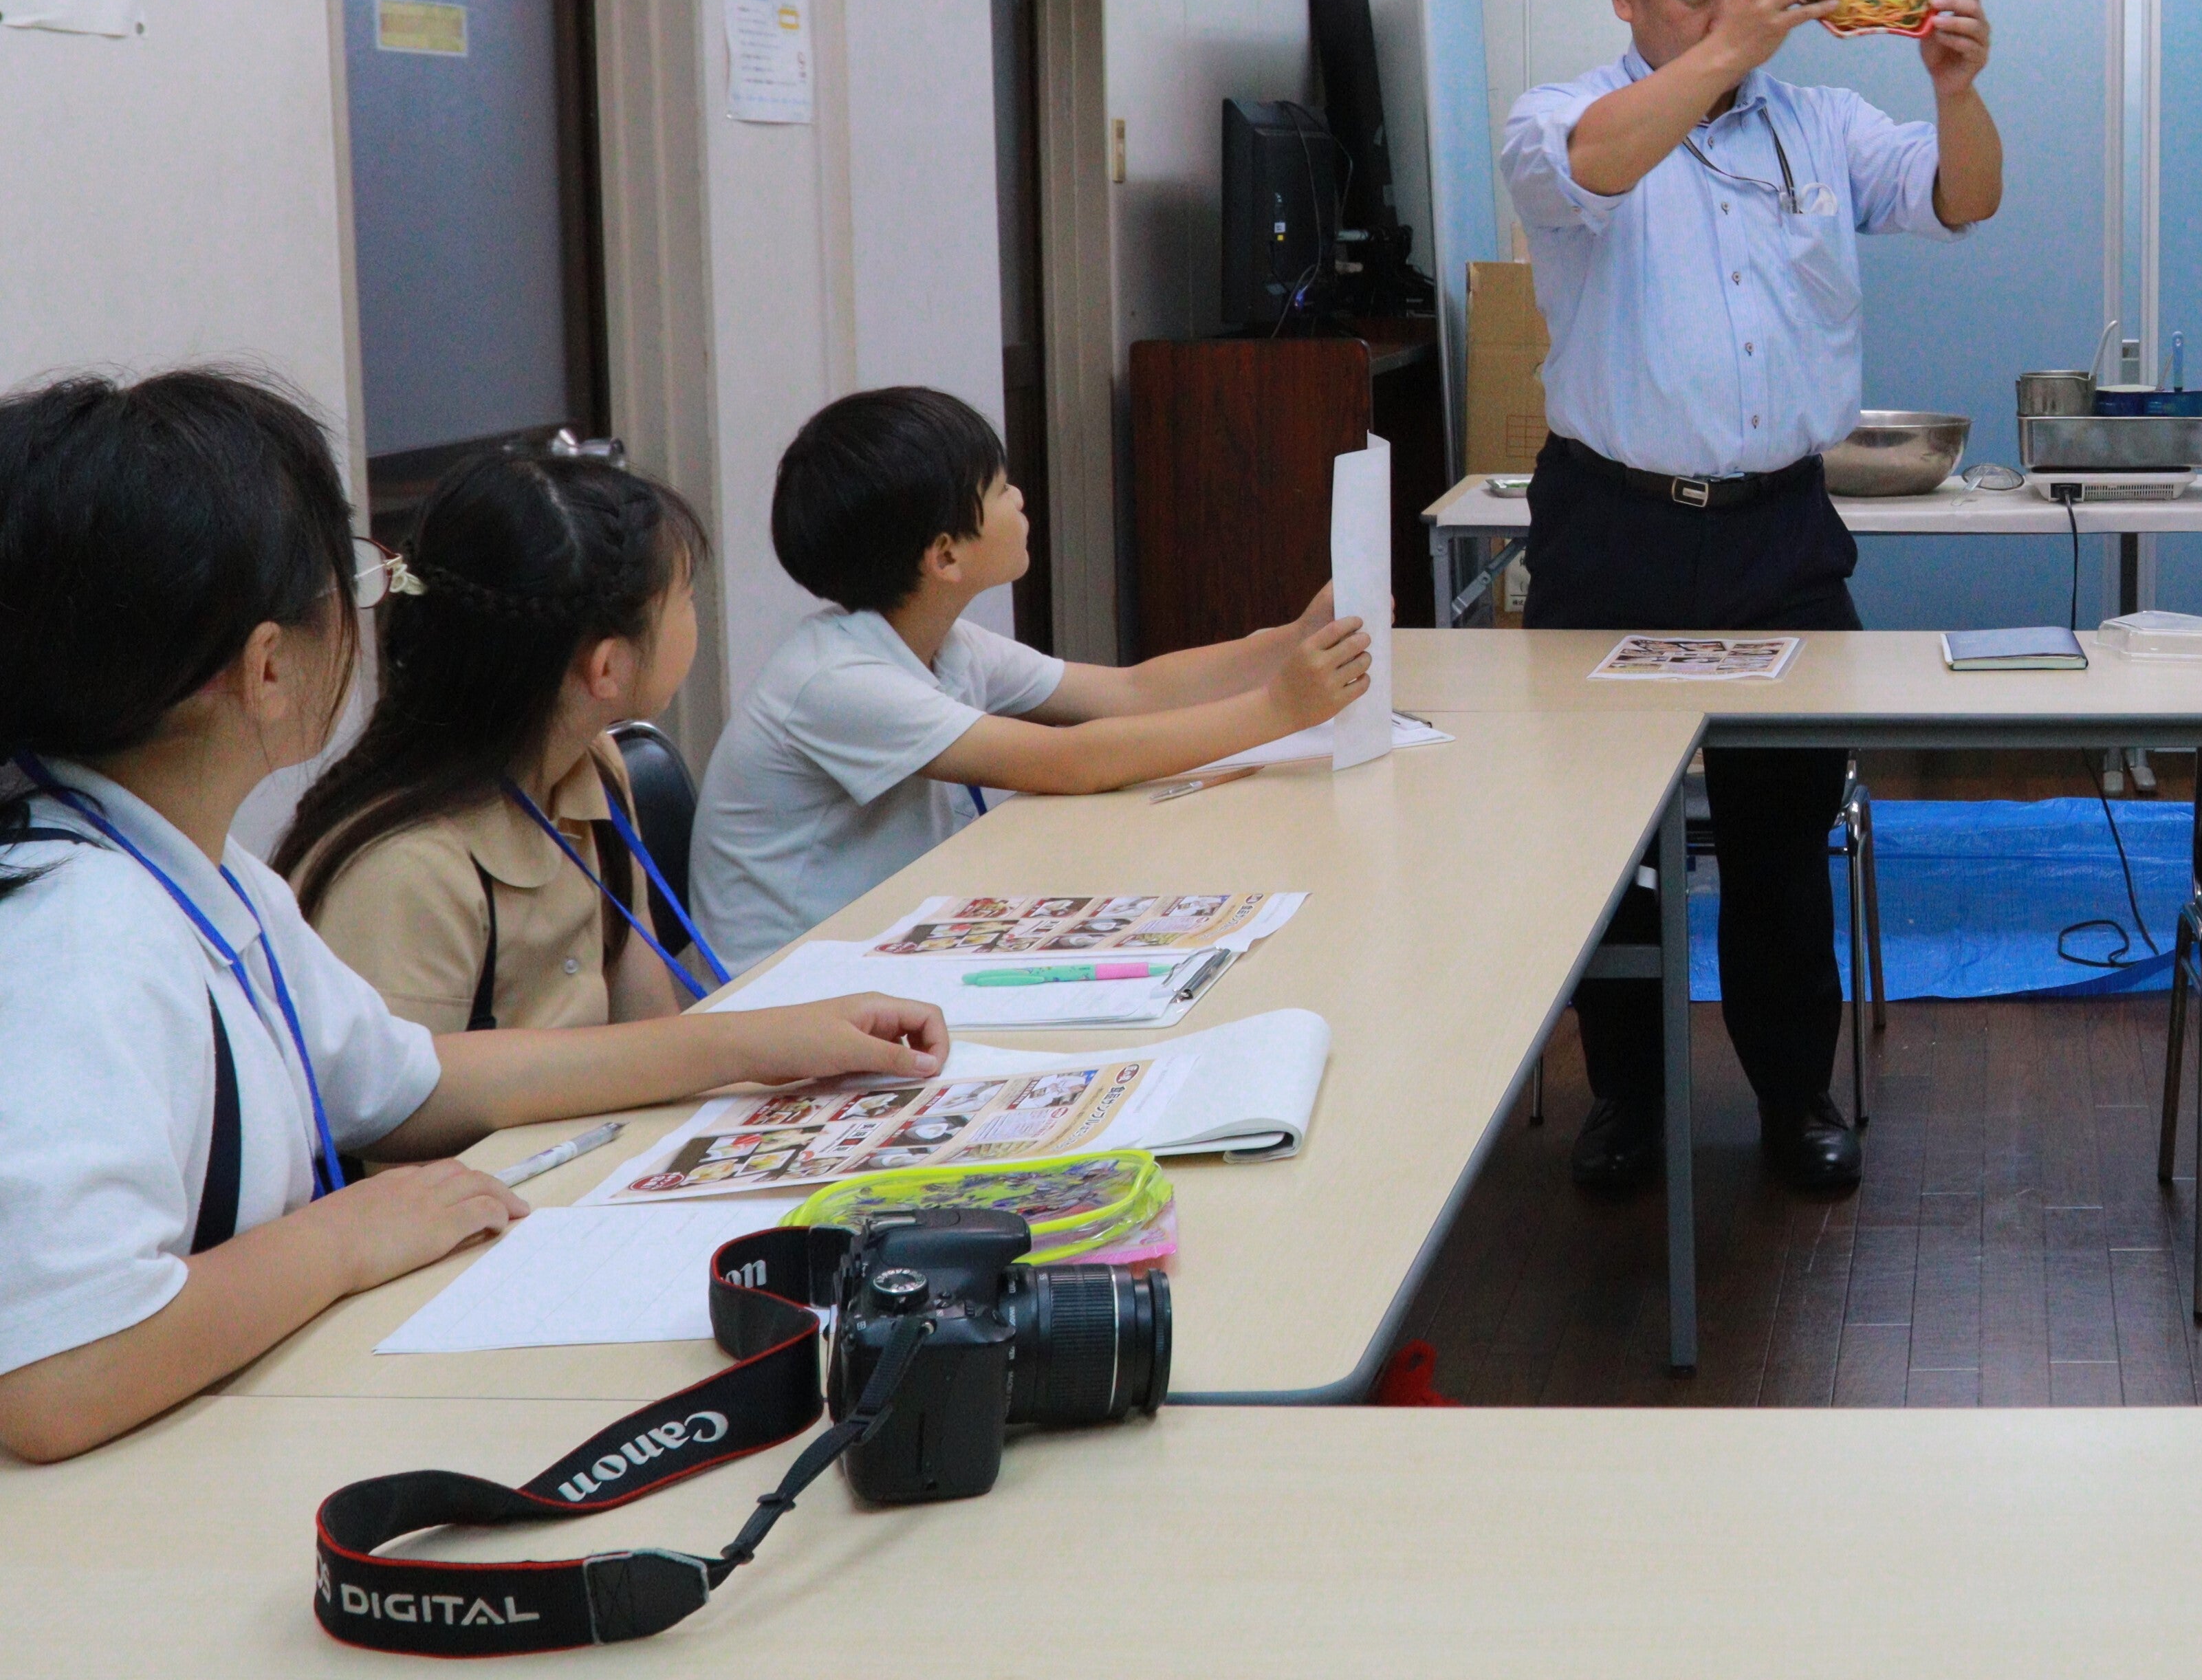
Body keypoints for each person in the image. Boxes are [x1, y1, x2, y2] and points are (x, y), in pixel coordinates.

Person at [0, 368, 950, 1463]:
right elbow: (59, 1376)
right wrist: (348, 1237)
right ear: (266, 669)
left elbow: (410, 1084)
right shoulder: (82, 933)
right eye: (347, 586)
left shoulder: (189, 871)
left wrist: (761, 1044)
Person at [1496, 0, 2001, 1198]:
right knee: (1610, 839)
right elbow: (1594, 169)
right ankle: (1629, 1099)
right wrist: (1729, 48)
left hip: (1778, 533)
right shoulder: (1564, 116)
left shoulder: (1821, 122)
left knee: (1785, 837)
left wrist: (1957, 91)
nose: (1726, 13)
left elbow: (1964, 198)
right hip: (1612, 527)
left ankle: (1795, 1098)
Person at [690, 388, 1371, 961]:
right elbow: (1069, 762)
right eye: (998, 488)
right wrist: (1277, 709)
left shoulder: (944, 643)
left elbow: (1130, 692)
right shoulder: (836, 683)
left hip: (887, 942)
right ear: (946, 556)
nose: (1019, 498)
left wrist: (1293, 640)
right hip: (795, 985)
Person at [278, 447, 723, 1030]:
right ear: (608, 668)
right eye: (685, 599)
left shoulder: (594, 766)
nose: (693, 613)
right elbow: (406, 1089)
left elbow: (653, 1035)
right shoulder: (407, 873)